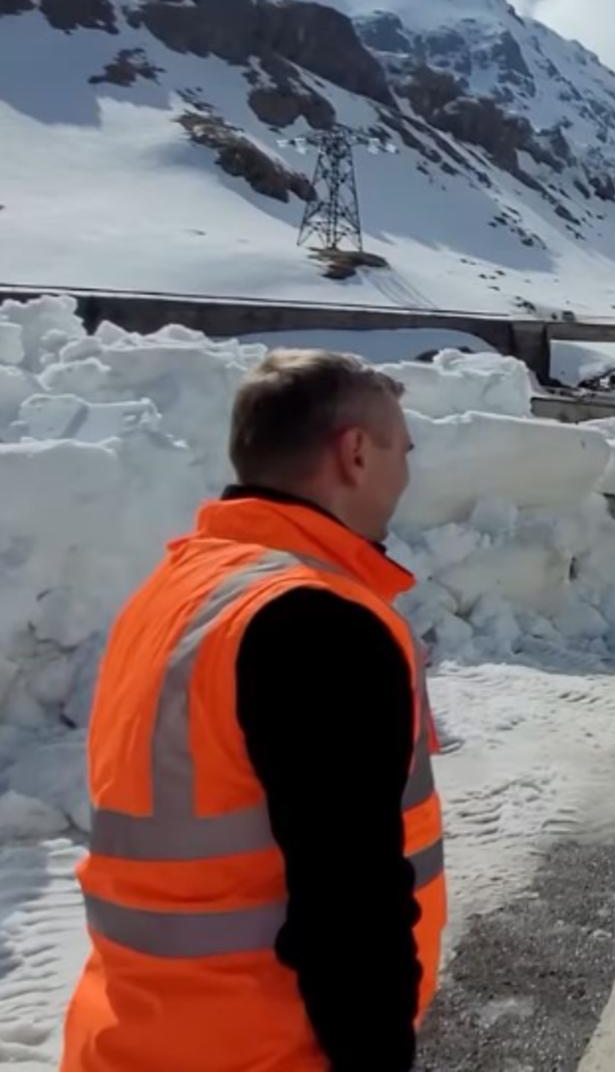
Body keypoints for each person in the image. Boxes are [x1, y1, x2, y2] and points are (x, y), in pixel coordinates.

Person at [63, 351, 446, 1071]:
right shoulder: (318, 621)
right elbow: (347, 906)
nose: (407, 471)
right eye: (404, 448)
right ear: (356, 453)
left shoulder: (181, 589)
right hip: (263, 1046)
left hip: (130, 1035)